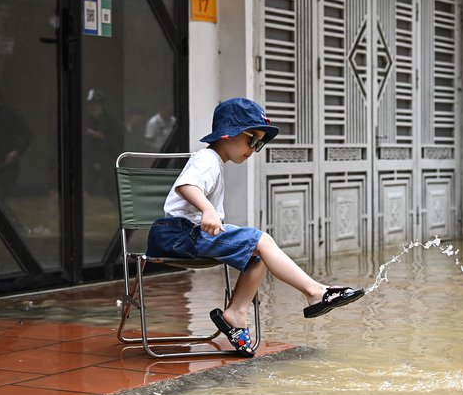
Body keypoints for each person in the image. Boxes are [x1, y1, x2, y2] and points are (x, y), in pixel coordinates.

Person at [146, 98, 364, 357]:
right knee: (261, 239)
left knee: (259, 255)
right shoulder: (207, 158)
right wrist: (208, 210)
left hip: (189, 235)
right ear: (227, 135)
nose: (255, 148)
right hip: (179, 235)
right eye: (252, 139)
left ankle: (236, 313)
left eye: (260, 143)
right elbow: (187, 186)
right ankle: (315, 292)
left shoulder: (215, 161)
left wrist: (210, 213)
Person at [83, 88, 122, 198]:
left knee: (112, 194)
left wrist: (103, 138)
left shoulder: (112, 122)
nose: (93, 106)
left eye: (95, 103)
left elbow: (117, 144)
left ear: (102, 104)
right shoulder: (84, 122)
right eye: (90, 103)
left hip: (108, 165)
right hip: (89, 165)